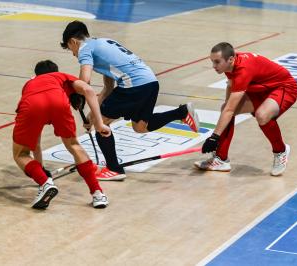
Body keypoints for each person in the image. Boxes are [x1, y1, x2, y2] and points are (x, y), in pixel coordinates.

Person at [60, 20, 200, 181]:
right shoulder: (103, 43)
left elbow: (85, 81)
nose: (73, 54)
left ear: (73, 41)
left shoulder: (85, 48)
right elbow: (108, 88)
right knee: (141, 127)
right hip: (150, 82)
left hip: (134, 85)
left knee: (102, 125)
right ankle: (181, 112)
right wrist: (92, 115)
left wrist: (76, 97)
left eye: (71, 49)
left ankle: (114, 169)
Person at [12, 60, 111, 209]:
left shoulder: (30, 84)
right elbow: (89, 91)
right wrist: (99, 123)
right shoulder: (61, 76)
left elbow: (36, 144)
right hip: (59, 101)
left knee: (21, 154)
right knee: (73, 145)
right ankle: (98, 194)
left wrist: (42, 177)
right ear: (56, 71)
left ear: (36, 74)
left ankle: (45, 184)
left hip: (32, 104)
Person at [194, 42, 297, 176]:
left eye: (217, 62)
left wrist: (214, 137)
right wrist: (227, 111)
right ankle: (221, 159)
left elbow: (230, 109)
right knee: (226, 109)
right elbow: (230, 96)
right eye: (212, 62)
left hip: (284, 88)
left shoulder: (243, 69)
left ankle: (280, 151)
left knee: (262, 115)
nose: (214, 66)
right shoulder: (230, 65)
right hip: (260, 89)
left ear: (230, 59)